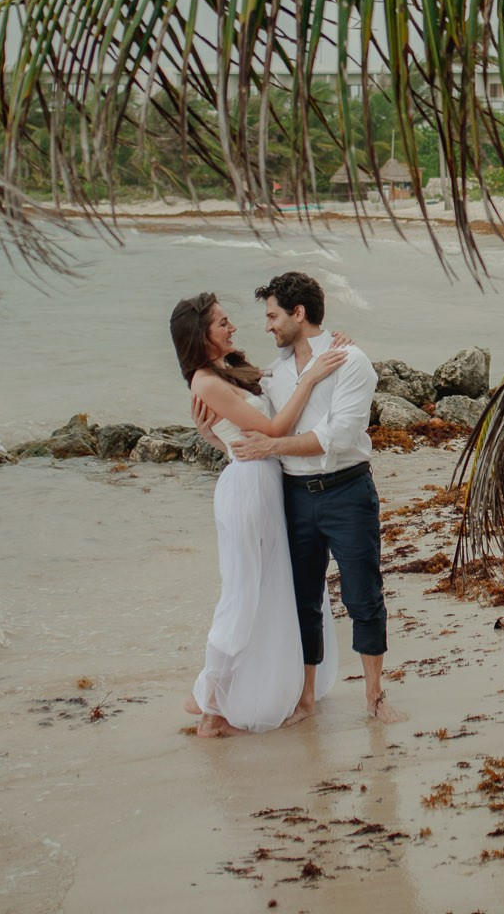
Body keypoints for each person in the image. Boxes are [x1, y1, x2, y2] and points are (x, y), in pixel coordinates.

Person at [208, 271, 405, 726]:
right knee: (301, 600)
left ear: (299, 314)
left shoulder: (352, 360)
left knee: (363, 595)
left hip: (347, 490)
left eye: (273, 315)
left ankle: (375, 698)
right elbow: (253, 429)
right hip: (293, 497)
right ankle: (305, 699)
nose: (267, 326)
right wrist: (211, 434)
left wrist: (273, 447)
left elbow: (338, 434)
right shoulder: (272, 375)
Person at [169, 292, 342, 737]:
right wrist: (312, 378)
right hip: (247, 490)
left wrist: (320, 353)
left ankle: (223, 702)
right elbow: (272, 430)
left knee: (268, 587)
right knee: (243, 593)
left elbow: (242, 436)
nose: (233, 328)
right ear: (200, 334)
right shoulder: (205, 382)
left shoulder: (228, 370)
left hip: (265, 483)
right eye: (223, 323)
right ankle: (210, 705)